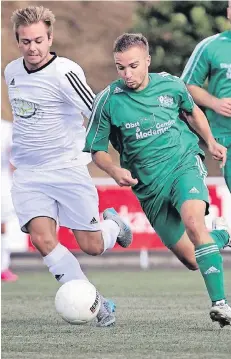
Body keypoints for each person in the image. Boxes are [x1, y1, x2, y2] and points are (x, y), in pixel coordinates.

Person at [84, 33, 231, 327]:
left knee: (193, 222)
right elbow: (97, 151)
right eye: (120, 67)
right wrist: (114, 170)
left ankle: (221, 305)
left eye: (134, 66)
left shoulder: (171, 85)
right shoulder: (108, 101)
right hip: (149, 188)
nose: (127, 74)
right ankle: (223, 234)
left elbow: (192, 113)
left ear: (147, 61)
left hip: (183, 164)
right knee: (192, 259)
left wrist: (211, 142)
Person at [4, 6, 133, 327]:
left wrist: (120, 154)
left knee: (91, 245)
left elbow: (97, 111)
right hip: (29, 175)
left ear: (50, 37)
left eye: (37, 40)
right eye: (25, 41)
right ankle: (97, 303)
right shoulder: (11, 72)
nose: (32, 47)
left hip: (68, 169)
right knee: (42, 239)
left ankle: (114, 226)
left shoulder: (65, 72)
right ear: (17, 41)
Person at [181, 1, 231, 192]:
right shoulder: (210, 46)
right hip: (226, 137)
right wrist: (215, 103)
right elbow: (186, 85)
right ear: (228, 12)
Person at [1, 119, 19, 282]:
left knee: (2, 227)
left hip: (2, 184)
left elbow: (14, 159)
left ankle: (3, 267)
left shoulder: (7, 129)